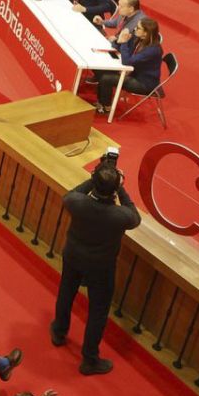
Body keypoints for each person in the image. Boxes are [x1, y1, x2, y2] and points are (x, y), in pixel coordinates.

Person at [50, 159, 139, 375]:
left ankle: (59, 331)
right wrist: (120, 187)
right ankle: (89, 359)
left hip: (73, 256)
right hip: (101, 266)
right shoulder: (119, 216)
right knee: (98, 311)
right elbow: (134, 216)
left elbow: (71, 194)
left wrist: (94, 178)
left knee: (66, 292)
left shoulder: (77, 203)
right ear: (114, 190)